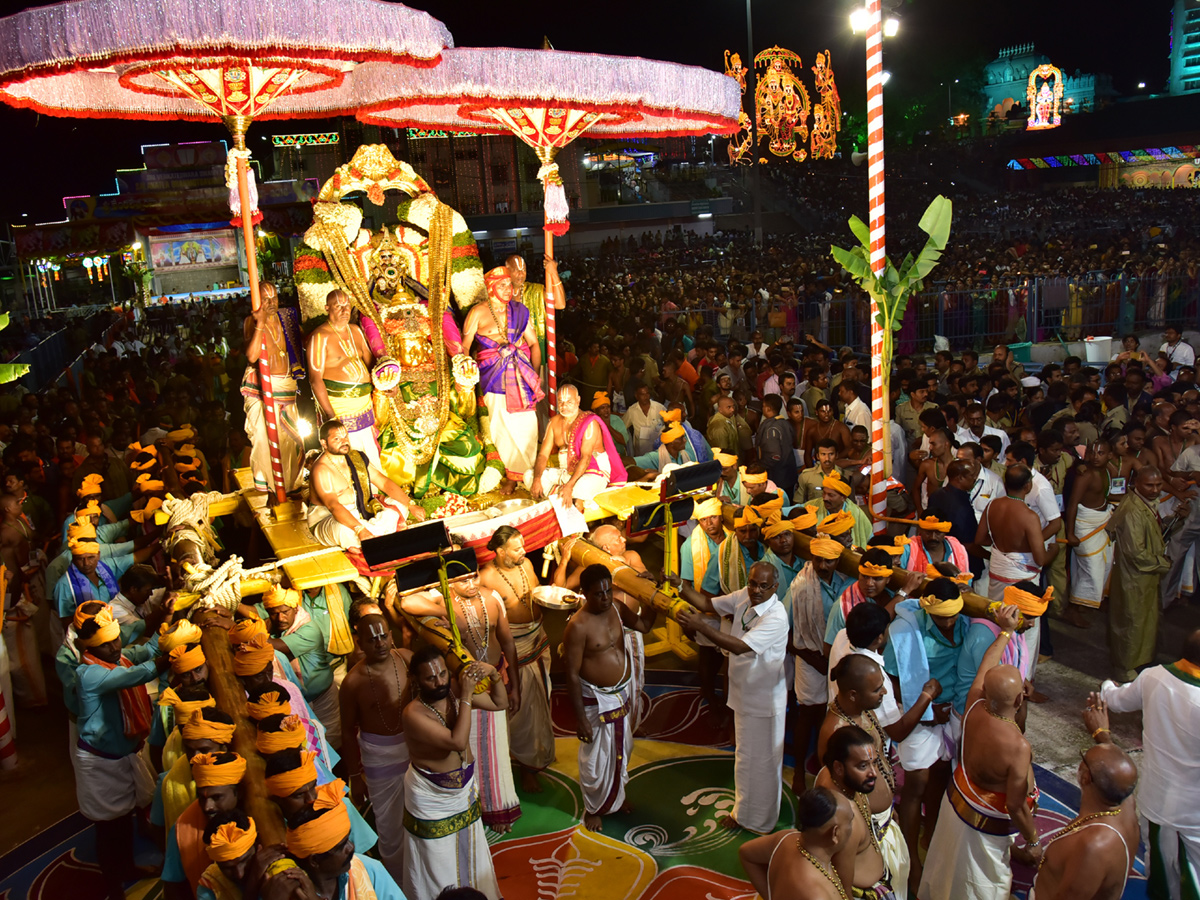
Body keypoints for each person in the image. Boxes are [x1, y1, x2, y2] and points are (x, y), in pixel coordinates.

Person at [918, 604, 1038, 900]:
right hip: (986, 820)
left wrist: (1006, 630)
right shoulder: (1017, 745)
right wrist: (1033, 839)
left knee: (948, 867)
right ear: (1021, 698)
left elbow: (987, 662)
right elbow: (1015, 805)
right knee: (982, 883)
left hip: (958, 797)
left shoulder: (973, 703)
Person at [400, 569, 521, 832]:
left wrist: (503, 680)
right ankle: (481, 808)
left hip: (484, 680)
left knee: (496, 752)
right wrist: (446, 615)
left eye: (474, 576)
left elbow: (507, 646)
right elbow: (405, 602)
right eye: (462, 579)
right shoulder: (440, 599)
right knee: (469, 750)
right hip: (464, 688)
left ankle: (497, 807)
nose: (470, 583)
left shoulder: (492, 597)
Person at [678, 562, 789, 834]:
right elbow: (707, 603)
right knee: (745, 757)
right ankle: (743, 813)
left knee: (764, 762)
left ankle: (761, 823)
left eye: (764, 586)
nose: (756, 590)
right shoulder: (744, 596)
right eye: (753, 583)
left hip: (764, 702)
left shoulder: (776, 616)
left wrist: (700, 627)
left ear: (775, 588)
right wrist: (680, 585)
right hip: (744, 695)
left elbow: (740, 646)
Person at [71, 606, 167, 899]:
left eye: (116, 641)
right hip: (101, 762)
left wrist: (167, 631)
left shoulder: (118, 658)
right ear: (90, 647)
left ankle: (128, 868)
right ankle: (113, 886)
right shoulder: (89, 674)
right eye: (106, 644)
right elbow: (138, 674)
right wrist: (167, 658)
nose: (115, 647)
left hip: (123, 753)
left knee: (125, 820)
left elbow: (143, 652)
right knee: (109, 829)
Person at [1100, 627, 1200, 900]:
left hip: (1158, 802)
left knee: (1162, 878)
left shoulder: (1153, 676)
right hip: (1192, 812)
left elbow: (1116, 701)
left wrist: (1106, 687)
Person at [401, 649, 503, 899]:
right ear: (415, 680)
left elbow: (501, 703)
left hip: (464, 788)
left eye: (443, 674)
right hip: (431, 797)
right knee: (437, 860)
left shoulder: (454, 693)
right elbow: (457, 742)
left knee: (472, 849)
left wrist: (495, 675)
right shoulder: (413, 713)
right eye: (431, 678)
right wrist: (466, 695)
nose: (440, 682)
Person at [563, 564, 655, 831]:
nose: (605, 598)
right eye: (598, 594)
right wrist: (580, 719)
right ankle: (594, 808)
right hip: (595, 699)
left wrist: (653, 595)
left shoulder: (616, 608)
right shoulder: (577, 627)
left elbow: (645, 626)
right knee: (596, 757)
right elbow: (570, 675)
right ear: (584, 594)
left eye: (608, 591)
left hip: (622, 692)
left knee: (621, 750)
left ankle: (616, 797)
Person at [1027, 699, 1140, 900]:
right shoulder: (1124, 801)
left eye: (1084, 757)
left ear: (1085, 776)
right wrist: (1101, 734)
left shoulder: (1093, 846)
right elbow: (1115, 766)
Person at [818, 655, 910, 898]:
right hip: (864, 836)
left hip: (884, 820)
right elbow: (837, 798)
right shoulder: (835, 733)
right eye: (877, 689)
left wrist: (889, 809)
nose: (884, 693)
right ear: (852, 695)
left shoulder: (863, 711)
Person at [338, 602, 411, 883]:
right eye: (372, 639)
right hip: (379, 758)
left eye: (383, 636)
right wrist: (355, 776)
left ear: (391, 636)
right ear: (360, 643)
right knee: (390, 827)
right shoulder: (352, 682)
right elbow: (346, 731)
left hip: (413, 750)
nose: (379, 643)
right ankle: (397, 882)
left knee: (419, 817)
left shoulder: (406, 658)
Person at [480, 526, 555, 792]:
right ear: (500, 551)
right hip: (515, 647)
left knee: (541, 702)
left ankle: (535, 757)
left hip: (539, 639)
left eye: (523, 545)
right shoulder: (487, 577)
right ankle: (524, 767)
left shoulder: (526, 565)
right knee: (521, 712)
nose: (523, 551)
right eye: (517, 548)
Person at [463, 267, 547, 493]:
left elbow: (533, 344)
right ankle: (509, 475)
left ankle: (527, 473)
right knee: (500, 428)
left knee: (527, 426)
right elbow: (464, 347)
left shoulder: (520, 311)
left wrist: (535, 374)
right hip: (493, 378)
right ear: (490, 287)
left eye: (509, 285)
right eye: (502, 285)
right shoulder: (477, 313)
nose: (508, 289)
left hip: (522, 378)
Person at [975, 465, 1058, 665]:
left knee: (997, 620)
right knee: (1025, 630)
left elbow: (980, 539)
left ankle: (994, 669)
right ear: (1028, 486)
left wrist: (1002, 549)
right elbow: (1040, 559)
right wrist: (1053, 551)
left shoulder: (992, 506)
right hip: (1022, 582)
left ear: (1005, 484)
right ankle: (1020, 679)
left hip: (998, 574)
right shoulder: (1029, 516)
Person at [307, 420, 425, 549]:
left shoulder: (355, 457)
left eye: (345, 436)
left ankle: (365, 539)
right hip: (329, 519)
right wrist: (360, 530)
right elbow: (333, 506)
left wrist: (410, 504)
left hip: (360, 510)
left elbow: (384, 482)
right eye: (337, 439)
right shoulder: (321, 469)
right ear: (324, 443)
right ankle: (367, 535)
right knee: (345, 531)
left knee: (400, 506)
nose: (344, 441)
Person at [286, 778, 405, 900]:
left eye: (348, 839)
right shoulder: (289, 892)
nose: (351, 847)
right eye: (341, 846)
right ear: (314, 860)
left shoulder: (369, 869)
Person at [241, 282, 305, 495]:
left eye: (274, 297)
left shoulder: (287, 318)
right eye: (266, 299)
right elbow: (252, 356)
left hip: (287, 387)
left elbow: (303, 341)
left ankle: (290, 486)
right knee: (263, 437)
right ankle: (269, 488)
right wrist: (260, 324)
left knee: (289, 439)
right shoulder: (252, 321)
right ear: (257, 300)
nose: (272, 302)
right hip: (262, 389)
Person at [1108, 465, 1170, 682]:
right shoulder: (1133, 510)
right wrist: (1164, 563)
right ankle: (1125, 669)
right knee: (1130, 622)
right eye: (1149, 485)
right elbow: (1136, 553)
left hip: (1145, 576)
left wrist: (1175, 521)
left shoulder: (1143, 503)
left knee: (1142, 621)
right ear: (1136, 484)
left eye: (1158, 485)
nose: (1155, 490)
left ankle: (1139, 661)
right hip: (1134, 576)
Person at [738, 786, 855, 900]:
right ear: (835, 833)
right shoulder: (817, 895)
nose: (852, 827)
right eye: (850, 822)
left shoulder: (786, 837)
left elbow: (746, 853)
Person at [264, 585, 344, 749]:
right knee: (308, 747)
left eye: (285, 612)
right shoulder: (274, 628)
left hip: (323, 699)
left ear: (295, 609)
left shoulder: (309, 629)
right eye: (274, 613)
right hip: (299, 702)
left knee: (332, 744)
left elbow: (277, 646)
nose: (280, 618)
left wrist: (252, 630)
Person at [815, 725, 889, 898]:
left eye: (875, 763)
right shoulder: (845, 821)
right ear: (839, 768)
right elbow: (842, 885)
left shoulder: (830, 773)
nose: (873, 773)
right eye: (863, 766)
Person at [307, 289, 378, 466]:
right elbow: (315, 380)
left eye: (347, 305)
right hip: (340, 409)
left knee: (372, 455)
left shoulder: (356, 331)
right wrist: (331, 417)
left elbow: (371, 363)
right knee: (349, 460)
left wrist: (384, 383)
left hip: (365, 407)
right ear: (327, 308)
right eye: (338, 306)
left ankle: (376, 493)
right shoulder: (319, 337)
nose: (344, 310)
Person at [528, 384, 627, 510]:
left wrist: (569, 485)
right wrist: (537, 479)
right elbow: (543, 455)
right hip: (567, 471)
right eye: (561, 402)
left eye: (569, 402)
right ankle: (565, 496)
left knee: (581, 487)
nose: (564, 406)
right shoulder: (553, 423)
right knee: (529, 476)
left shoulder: (589, 422)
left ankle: (561, 496)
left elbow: (586, 458)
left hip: (593, 472)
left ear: (578, 400)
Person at [1065, 439, 1116, 610]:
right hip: (1085, 525)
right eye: (1092, 453)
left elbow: (1111, 494)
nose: (1096, 457)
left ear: (1109, 455)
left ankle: (1087, 603)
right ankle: (1074, 608)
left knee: (1105, 564)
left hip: (1102, 521)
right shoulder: (1085, 475)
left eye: (1101, 453)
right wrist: (1070, 533)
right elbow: (1072, 504)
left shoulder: (1109, 471)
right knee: (1091, 568)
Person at [622, 384, 667, 457]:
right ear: (636, 396)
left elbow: (669, 424)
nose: (646, 397)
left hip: (658, 453)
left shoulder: (659, 408)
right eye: (642, 394)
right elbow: (622, 427)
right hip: (641, 454)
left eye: (647, 393)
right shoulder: (632, 411)